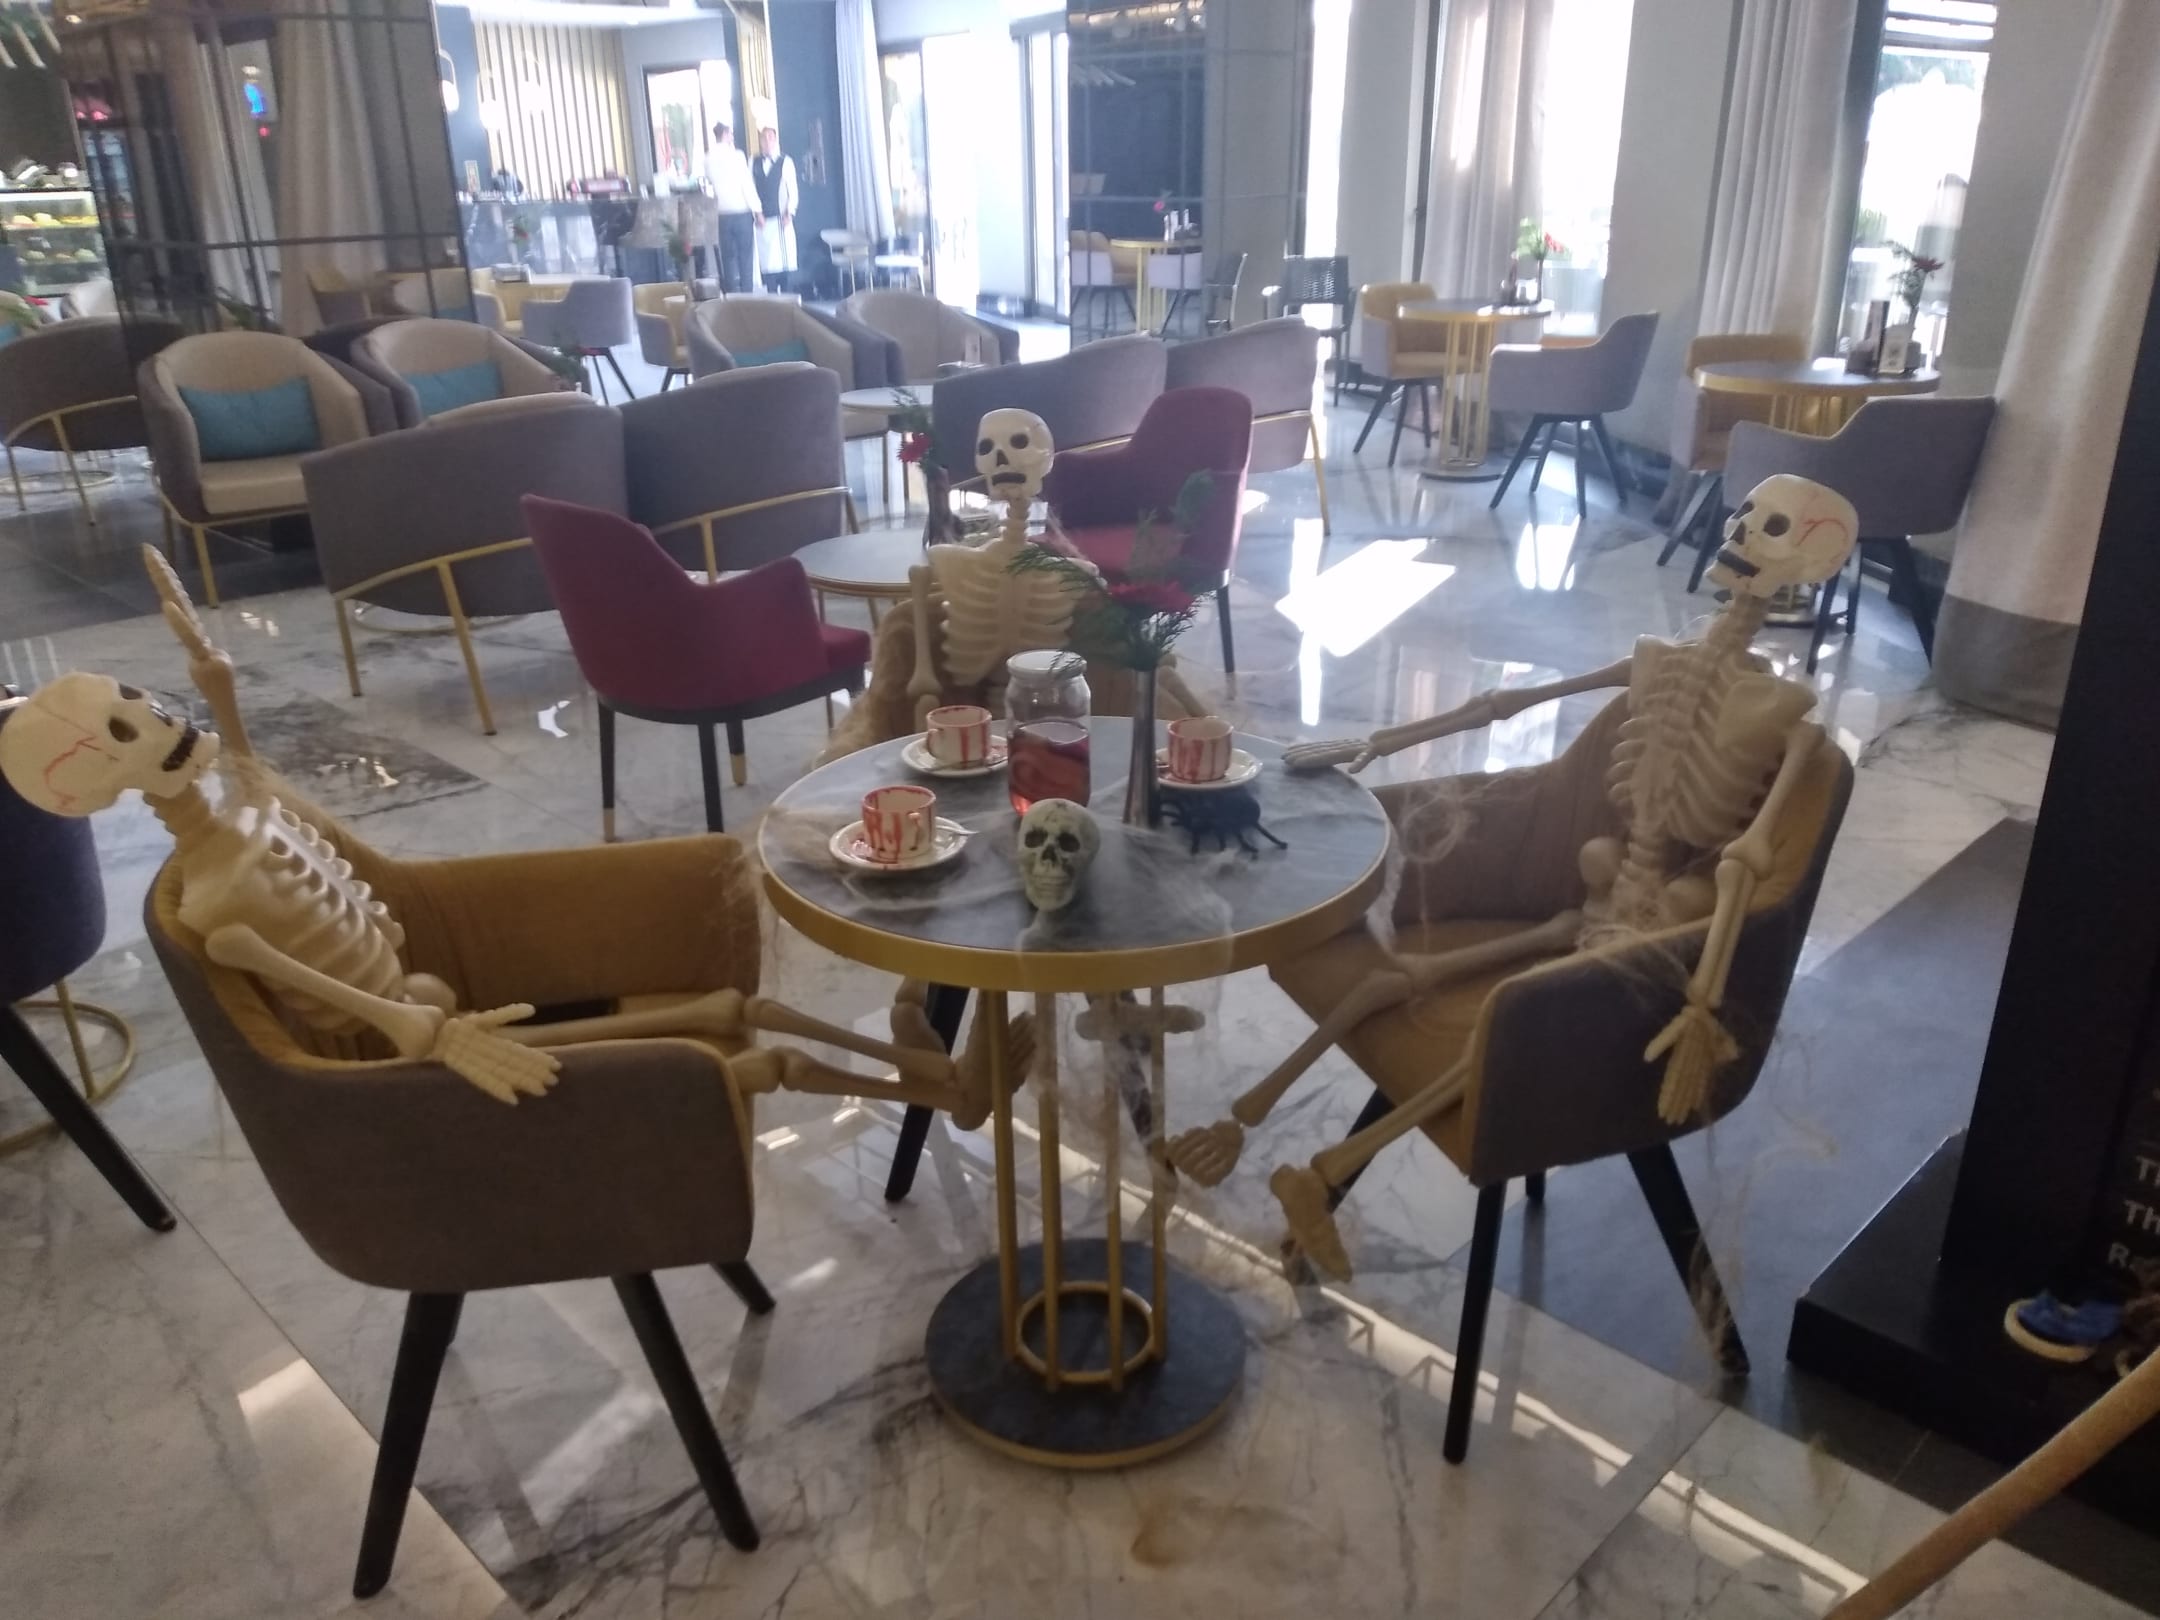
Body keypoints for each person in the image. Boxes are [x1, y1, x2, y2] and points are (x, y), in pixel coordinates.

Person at [703, 119, 759, 294]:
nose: (732, 137)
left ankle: (731, 295)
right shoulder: (737, 156)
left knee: (728, 257)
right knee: (745, 257)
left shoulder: (708, 158)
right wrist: (758, 210)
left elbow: (709, 182)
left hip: (722, 213)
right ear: (726, 135)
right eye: (731, 134)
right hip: (741, 212)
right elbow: (747, 185)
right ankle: (747, 294)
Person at [751, 125, 799, 294]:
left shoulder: (785, 162)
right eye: (763, 138)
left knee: (783, 263)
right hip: (762, 220)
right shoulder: (753, 162)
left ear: (775, 140)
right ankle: (771, 299)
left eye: (770, 138)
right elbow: (751, 190)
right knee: (767, 264)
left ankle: (786, 297)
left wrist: (790, 213)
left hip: (780, 220)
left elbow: (793, 191)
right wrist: (757, 213)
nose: (767, 141)